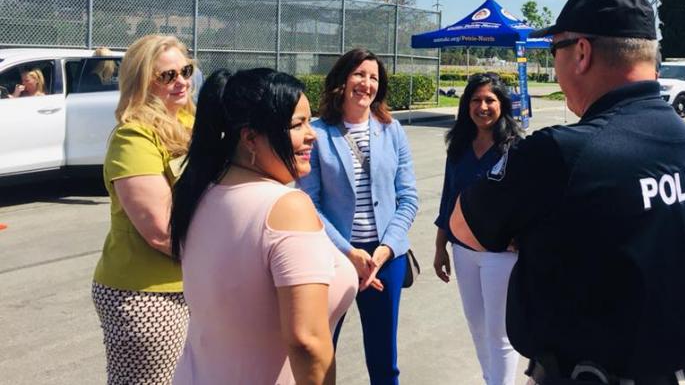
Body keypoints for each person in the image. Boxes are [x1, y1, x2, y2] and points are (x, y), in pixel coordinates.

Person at [450, 0, 685, 385]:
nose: (556, 65)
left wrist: (525, 233)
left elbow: (465, 225)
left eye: (554, 50)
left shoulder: (561, 153)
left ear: (581, 52)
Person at [170, 69, 358, 385]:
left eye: (309, 121)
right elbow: (307, 341)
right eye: (297, 124)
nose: (312, 134)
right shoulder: (287, 207)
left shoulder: (200, 192)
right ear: (250, 138)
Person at [297, 48, 419, 385]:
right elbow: (309, 202)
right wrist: (348, 253)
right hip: (333, 257)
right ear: (342, 79)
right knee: (322, 353)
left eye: (374, 78)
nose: (366, 83)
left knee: (384, 359)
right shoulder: (318, 133)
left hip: (385, 259)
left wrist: (382, 252)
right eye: (359, 75)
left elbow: (408, 198)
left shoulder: (392, 130)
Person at [91, 35, 196, 385]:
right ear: (142, 81)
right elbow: (160, 230)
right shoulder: (134, 138)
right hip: (146, 294)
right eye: (166, 76)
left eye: (186, 70)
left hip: (191, 285)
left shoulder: (192, 124)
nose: (180, 81)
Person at [433, 72, 523, 385]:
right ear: (466, 105)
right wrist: (439, 247)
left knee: (499, 334)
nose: (482, 106)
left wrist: (523, 237)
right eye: (475, 100)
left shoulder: (516, 148)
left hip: (501, 255)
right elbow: (448, 197)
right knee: (478, 328)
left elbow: (532, 200)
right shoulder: (458, 146)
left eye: (490, 100)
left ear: (503, 105)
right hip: (463, 252)